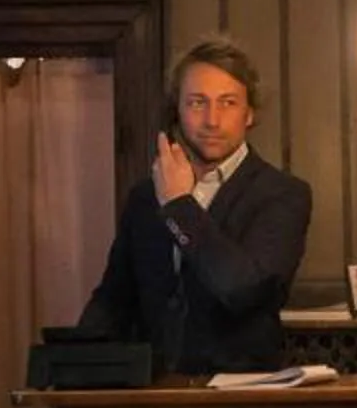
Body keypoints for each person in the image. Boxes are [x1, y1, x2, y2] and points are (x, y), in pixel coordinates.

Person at [77, 36, 312, 377]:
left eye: (228, 103)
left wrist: (179, 206)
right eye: (197, 102)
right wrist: (71, 368)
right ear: (177, 111)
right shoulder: (145, 197)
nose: (212, 120)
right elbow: (114, 298)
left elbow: (244, 291)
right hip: (151, 398)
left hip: (243, 402)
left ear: (250, 114)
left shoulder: (283, 194)